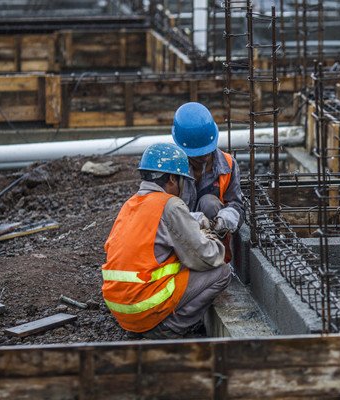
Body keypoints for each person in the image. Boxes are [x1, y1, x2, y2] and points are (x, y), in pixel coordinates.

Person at [102, 143, 230, 339]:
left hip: (120, 308)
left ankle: (148, 324)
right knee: (221, 272)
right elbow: (206, 257)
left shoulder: (130, 204)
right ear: (172, 178)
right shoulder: (169, 204)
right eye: (181, 181)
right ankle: (169, 328)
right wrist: (211, 237)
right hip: (143, 307)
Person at [171, 102, 244, 263]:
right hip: (177, 235)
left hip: (212, 238)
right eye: (197, 154)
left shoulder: (228, 164)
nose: (204, 157)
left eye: (206, 151)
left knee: (209, 203)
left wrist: (227, 217)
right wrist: (190, 220)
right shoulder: (171, 167)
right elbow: (160, 210)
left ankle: (215, 260)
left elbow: (237, 204)